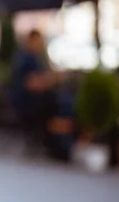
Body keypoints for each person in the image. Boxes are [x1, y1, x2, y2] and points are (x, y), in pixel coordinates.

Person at [11, 29, 74, 158]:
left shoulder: (37, 58)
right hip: (30, 104)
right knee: (63, 105)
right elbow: (32, 84)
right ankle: (59, 145)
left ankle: (60, 143)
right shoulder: (26, 59)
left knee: (65, 102)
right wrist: (52, 79)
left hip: (40, 102)